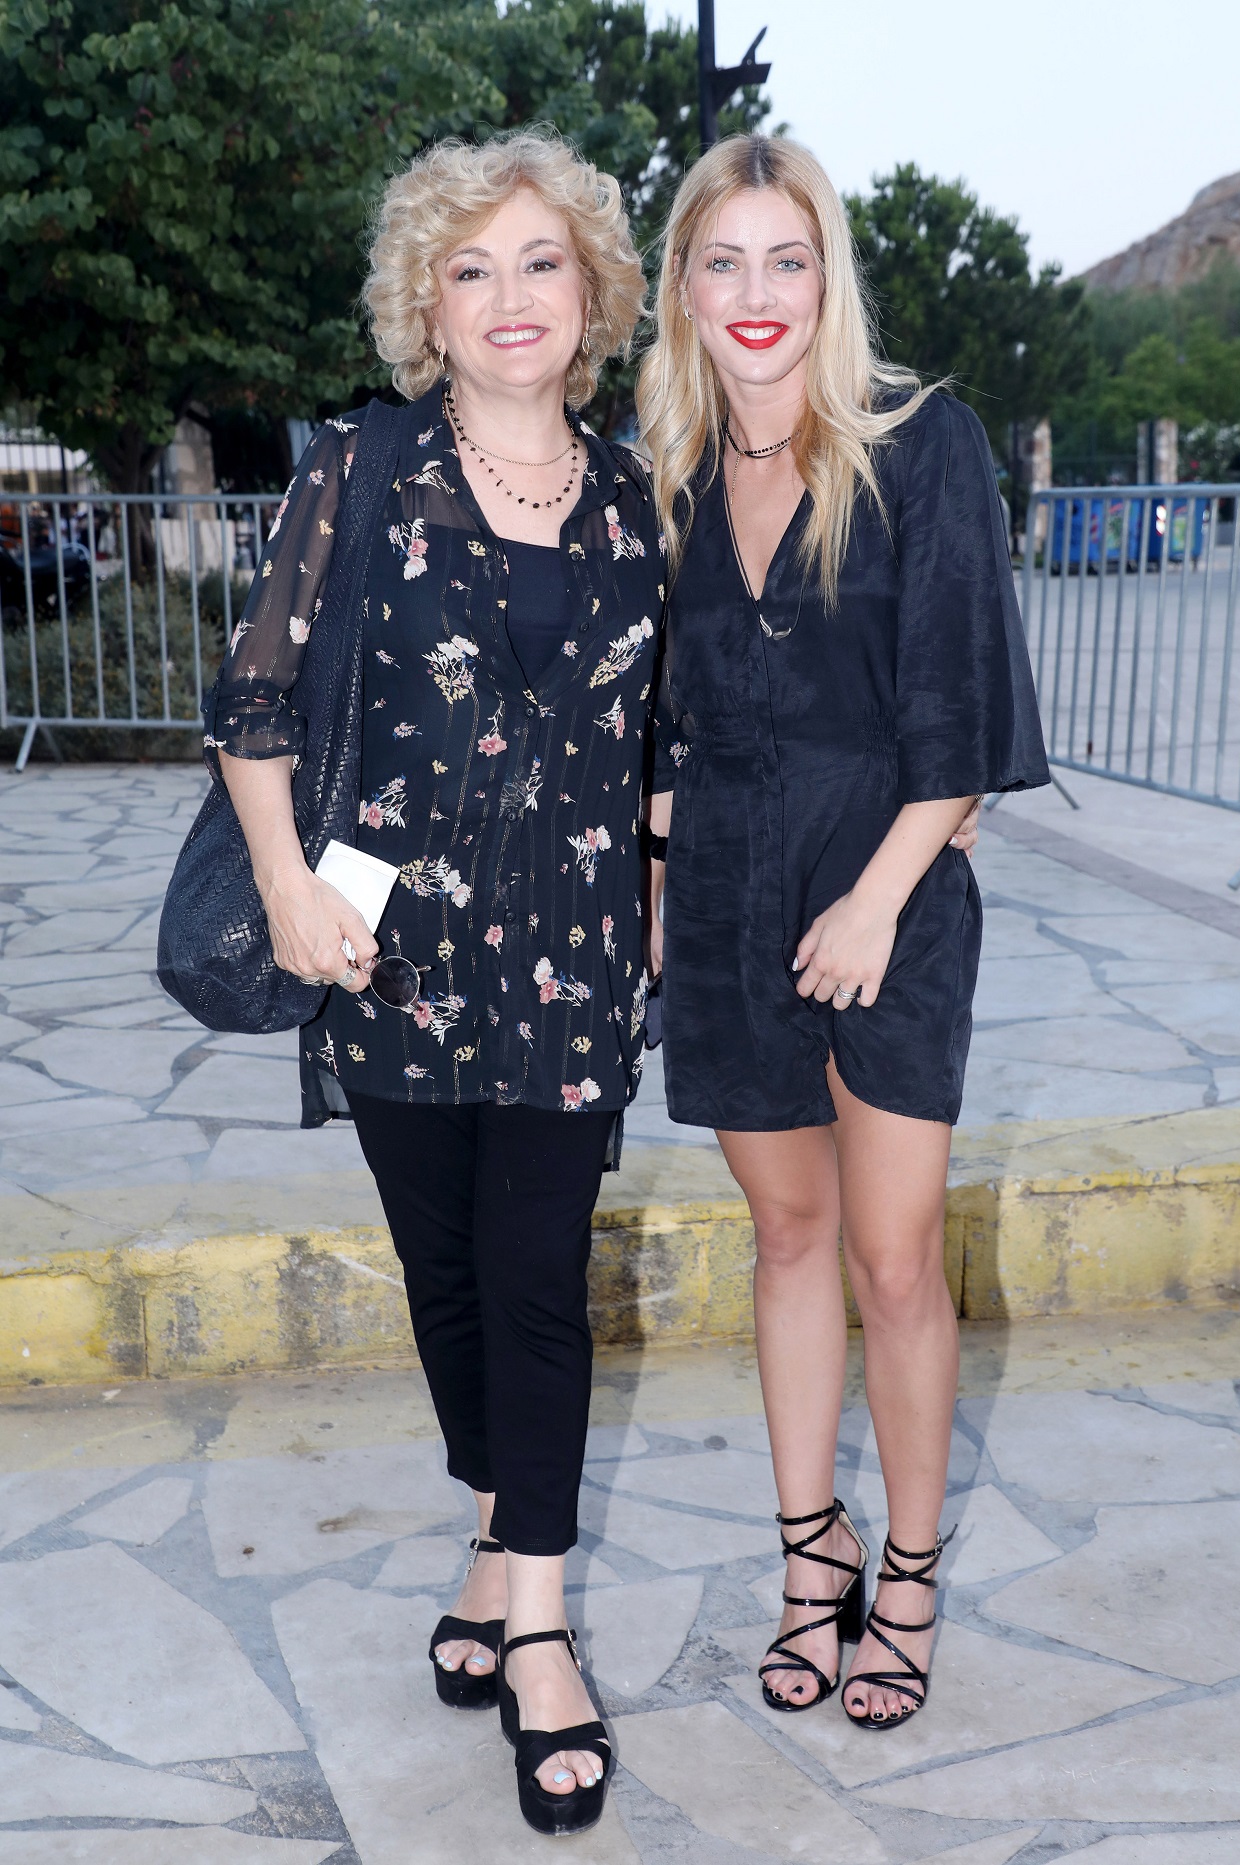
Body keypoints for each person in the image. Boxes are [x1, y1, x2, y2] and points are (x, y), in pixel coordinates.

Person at [207, 130, 660, 1836]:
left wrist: (663, 906)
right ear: (427, 305)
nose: (508, 296)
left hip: (573, 959)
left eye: (540, 261)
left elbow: (658, 741)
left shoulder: (640, 496)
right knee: (447, 1278)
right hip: (385, 943)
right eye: (469, 269)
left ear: (590, 292)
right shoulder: (363, 466)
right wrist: (283, 884)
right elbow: (255, 699)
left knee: (536, 1280)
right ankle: (495, 1527)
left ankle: (535, 1621)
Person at [637, 135, 1048, 1730]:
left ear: (827, 278)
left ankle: (912, 1573)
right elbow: (656, 729)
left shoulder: (919, 444)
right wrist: (660, 903)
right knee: (790, 1240)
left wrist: (876, 902)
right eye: (723, 261)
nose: (756, 292)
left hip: (889, 895)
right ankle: (813, 1562)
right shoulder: (667, 474)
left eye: (785, 259)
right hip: (725, 903)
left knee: (891, 1255)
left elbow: (961, 714)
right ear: (683, 287)